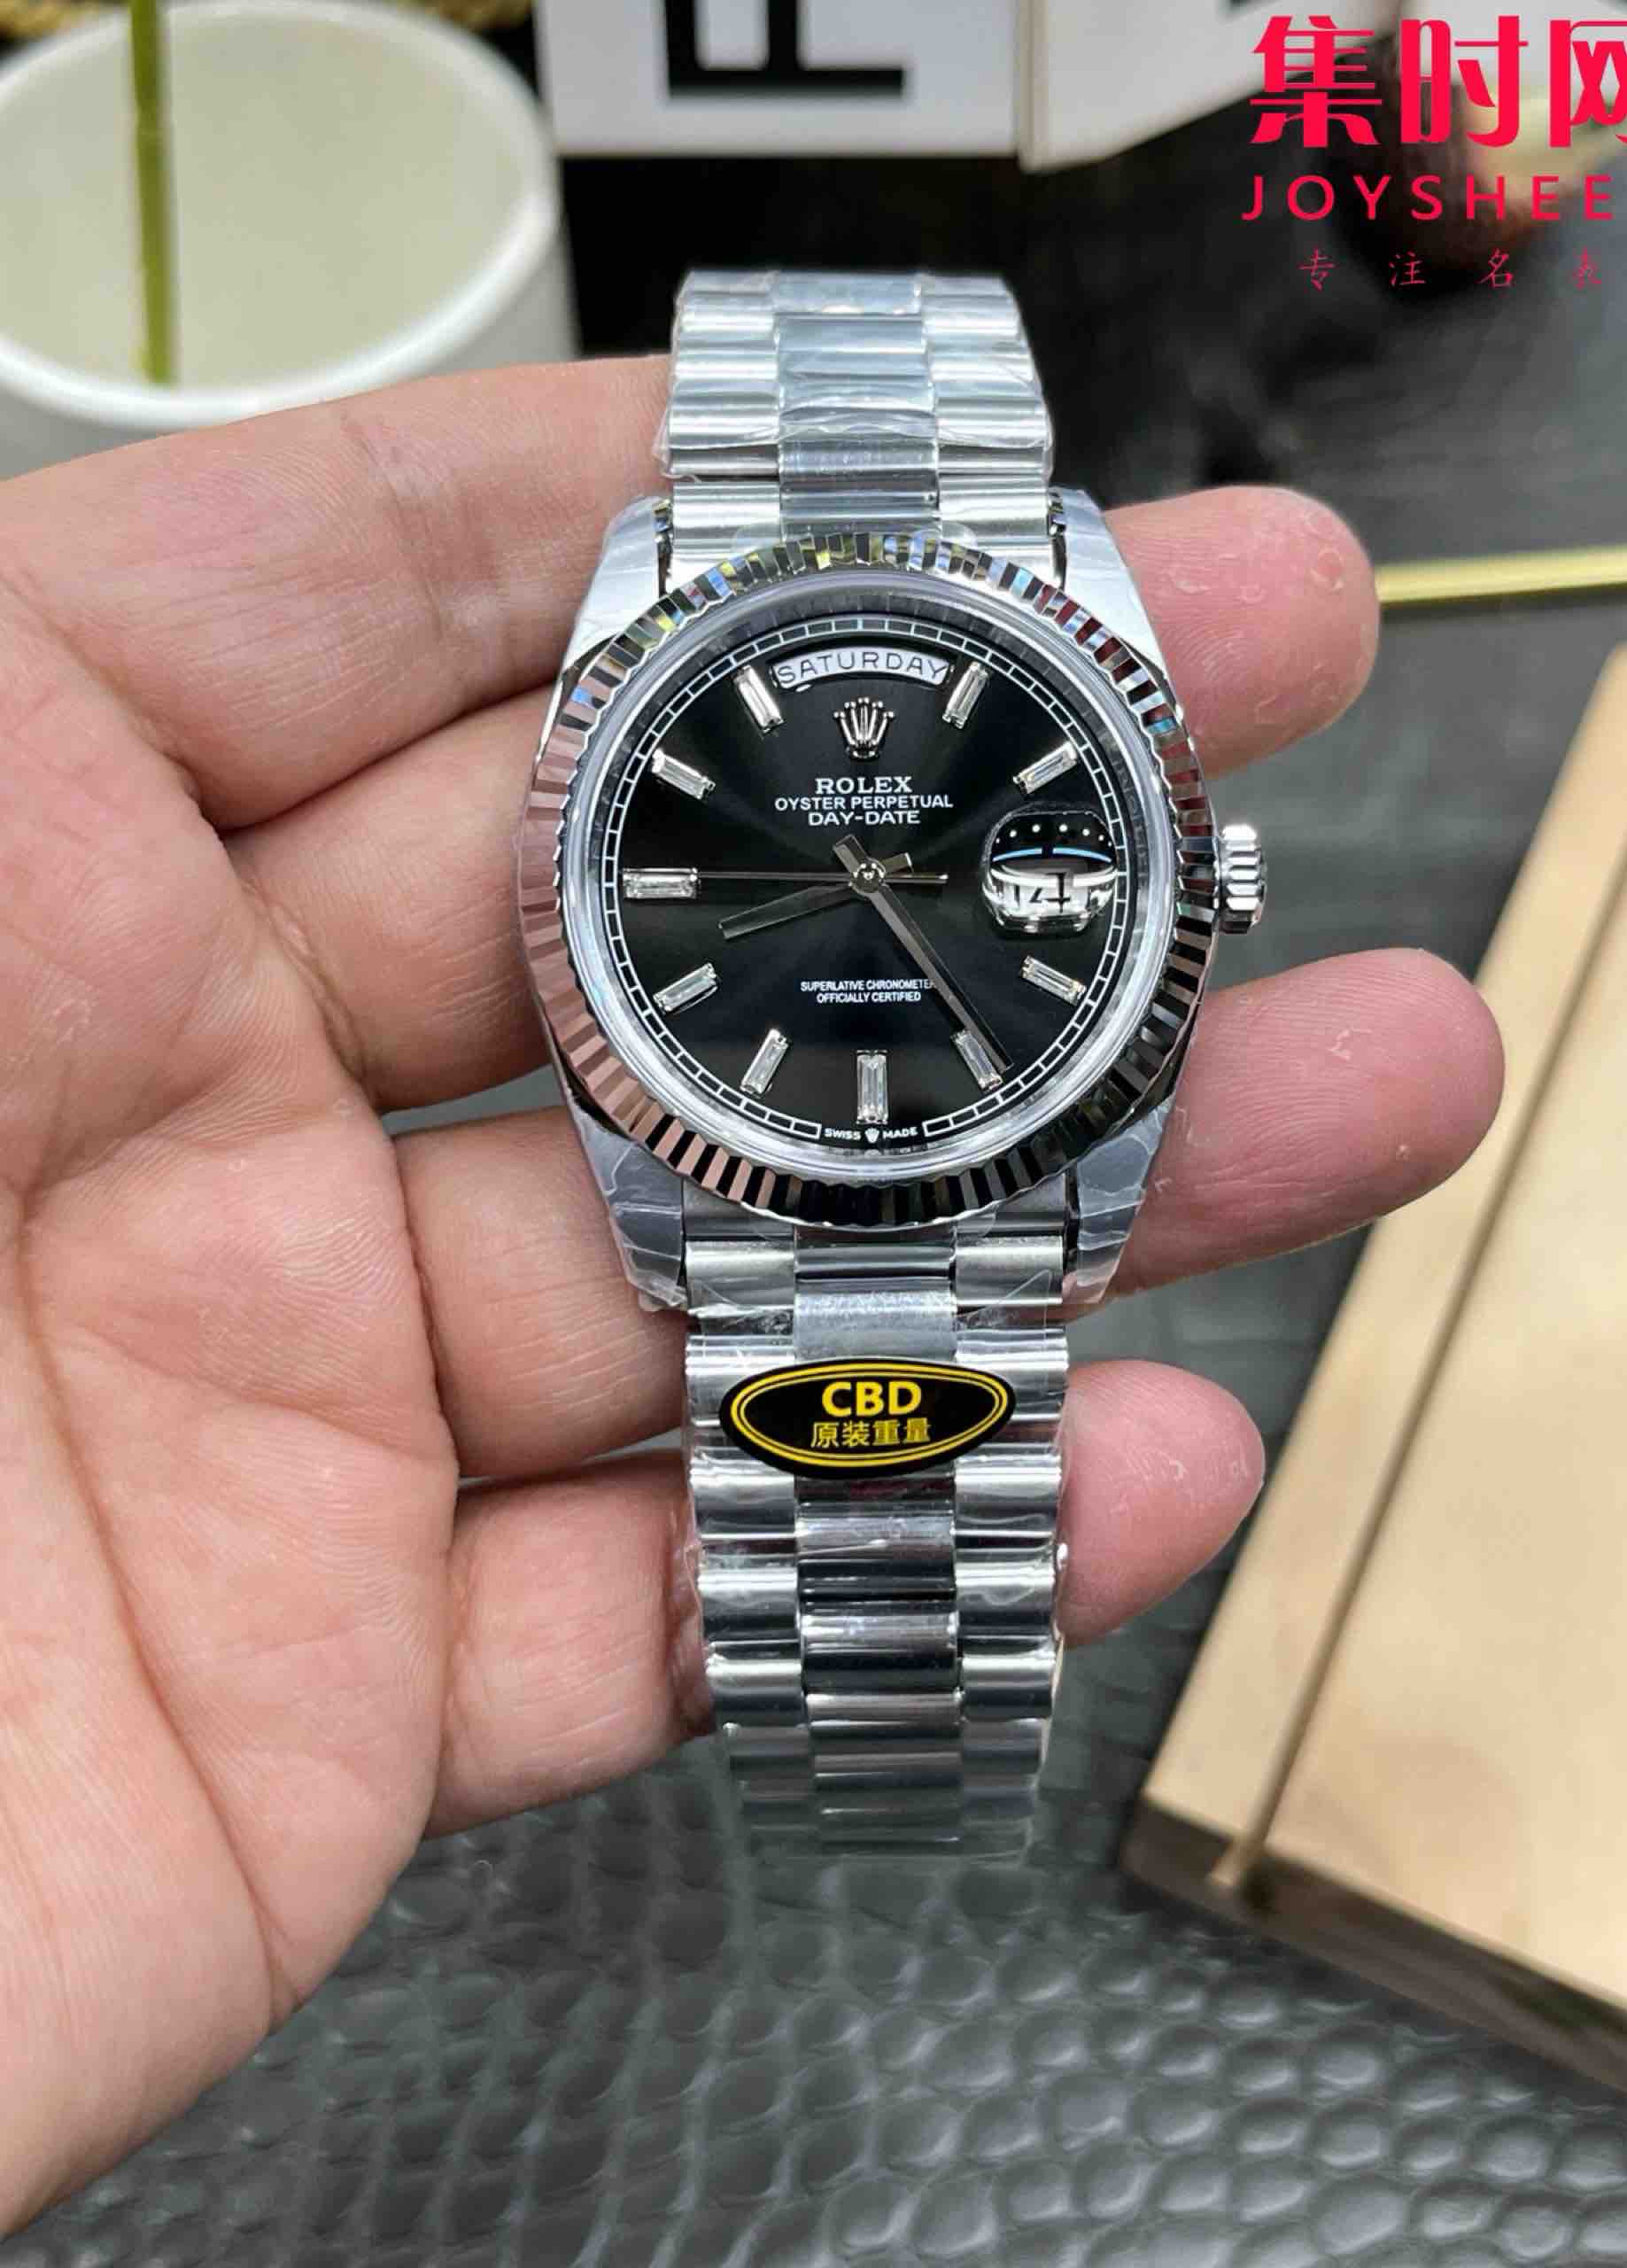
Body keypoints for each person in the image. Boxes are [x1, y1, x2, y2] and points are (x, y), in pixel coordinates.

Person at [0, 357, 1501, 2231]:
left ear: (1200, 882)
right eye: (828, 860)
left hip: (930, 1147)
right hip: (799, 1155)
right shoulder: (651, 788)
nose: (867, 876)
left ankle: (887, 1770)